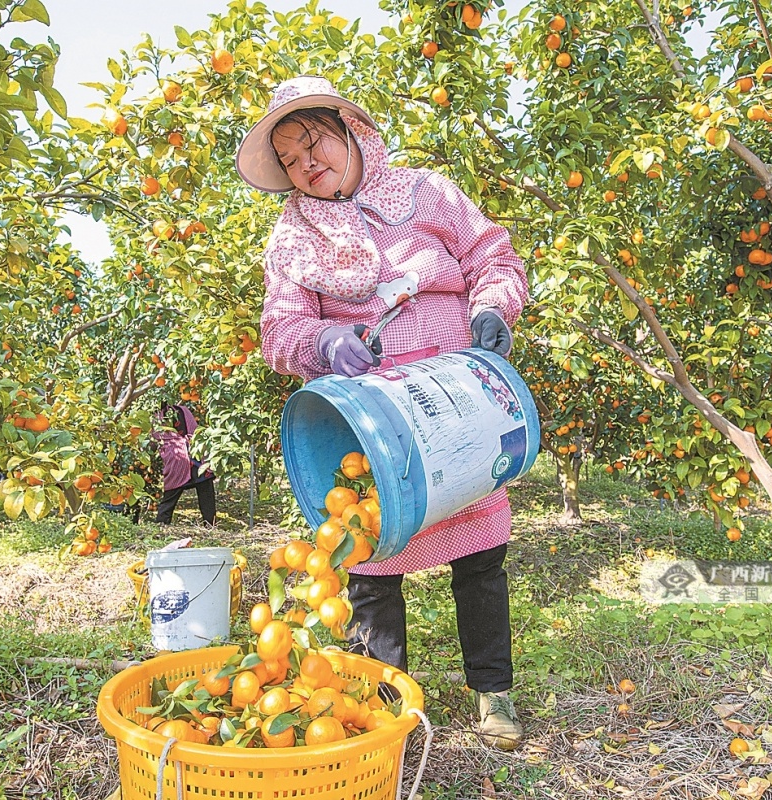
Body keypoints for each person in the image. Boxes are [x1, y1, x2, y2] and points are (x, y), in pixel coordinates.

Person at [236, 76, 529, 750]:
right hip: (371, 424)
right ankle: (383, 709)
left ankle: (494, 695)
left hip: (457, 408)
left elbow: (493, 255)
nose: (305, 163)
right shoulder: (293, 238)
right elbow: (279, 332)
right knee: (370, 569)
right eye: (289, 158)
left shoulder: (426, 192)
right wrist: (321, 340)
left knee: (480, 556)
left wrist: (491, 307)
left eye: (311, 142)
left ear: (348, 128)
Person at [153, 403, 217, 526]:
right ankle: (210, 524)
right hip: (195, 455)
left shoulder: (156, 417)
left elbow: (156, 439)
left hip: (177, 457)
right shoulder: (182, 410)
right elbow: (195, 432)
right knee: (206, 491)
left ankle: (161, 524)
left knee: (171, 496)